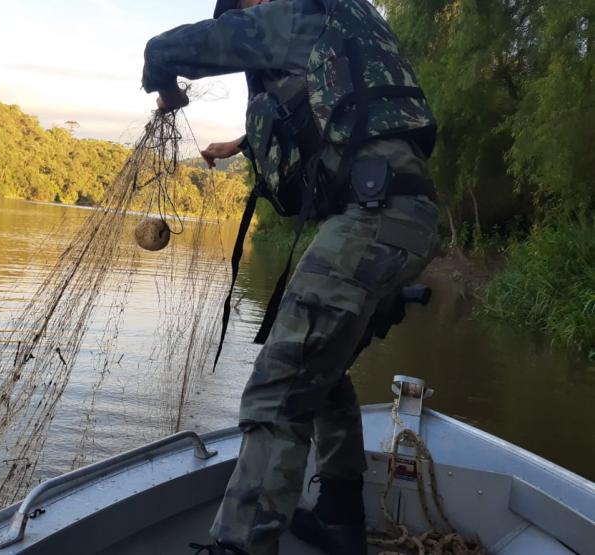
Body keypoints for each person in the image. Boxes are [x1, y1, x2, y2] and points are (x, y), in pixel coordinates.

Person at [142, 1, 440, 554]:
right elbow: (343, 106)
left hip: (370, 221)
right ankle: (340, 519)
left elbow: (169, 49)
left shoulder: (294, 10)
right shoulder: (350, 16)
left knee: (279, 385)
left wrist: (164, 88)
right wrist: (241, 142)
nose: (247, 11)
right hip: (408, 214)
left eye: (243, 6)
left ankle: (242, 543)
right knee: (322, 368)